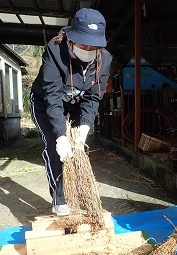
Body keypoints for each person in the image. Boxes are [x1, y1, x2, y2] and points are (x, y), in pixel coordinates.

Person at [30, 8, 112, 216]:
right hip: (45, 102)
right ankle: (60, 200)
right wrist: (60, 136)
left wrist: (84, 127)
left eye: (93, 46)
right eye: (83, 44)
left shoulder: (105, 60)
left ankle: (80, 194)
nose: (87, 49)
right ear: (71, 38)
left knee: (77, 150)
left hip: (77, 104)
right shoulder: (55, 51)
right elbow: (52, 96)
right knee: (54, 148)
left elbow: (93, 97)